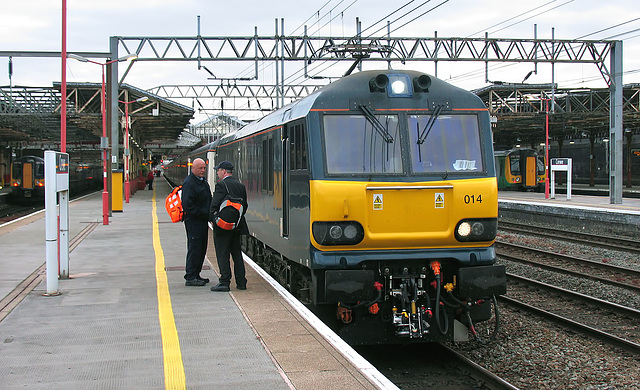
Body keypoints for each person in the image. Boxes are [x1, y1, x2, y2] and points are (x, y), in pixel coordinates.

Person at [209, 160, 249, 292]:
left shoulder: (221, 185)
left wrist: (214, 219)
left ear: (224, 171)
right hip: (237, 225)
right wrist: (235, 220)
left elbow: (214, 206)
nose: (217, 173)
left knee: (222, 253)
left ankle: (224, 282)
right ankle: (241, 282)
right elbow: (245, 206)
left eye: (218, 171)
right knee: (237, 254)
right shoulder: (240, 185)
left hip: (222, 227)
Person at [181, 158, 212, 286]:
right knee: (194, 247)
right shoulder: (189, 183)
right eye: (200, 168)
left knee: (201, 248)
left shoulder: (202, 182)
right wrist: (204, 213)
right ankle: (190, 276)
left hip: (202, 221)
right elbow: (188, 205)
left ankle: (196, 274)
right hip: (194, 221)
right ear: (193, 168)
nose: (203, 170)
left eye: (204, 168)